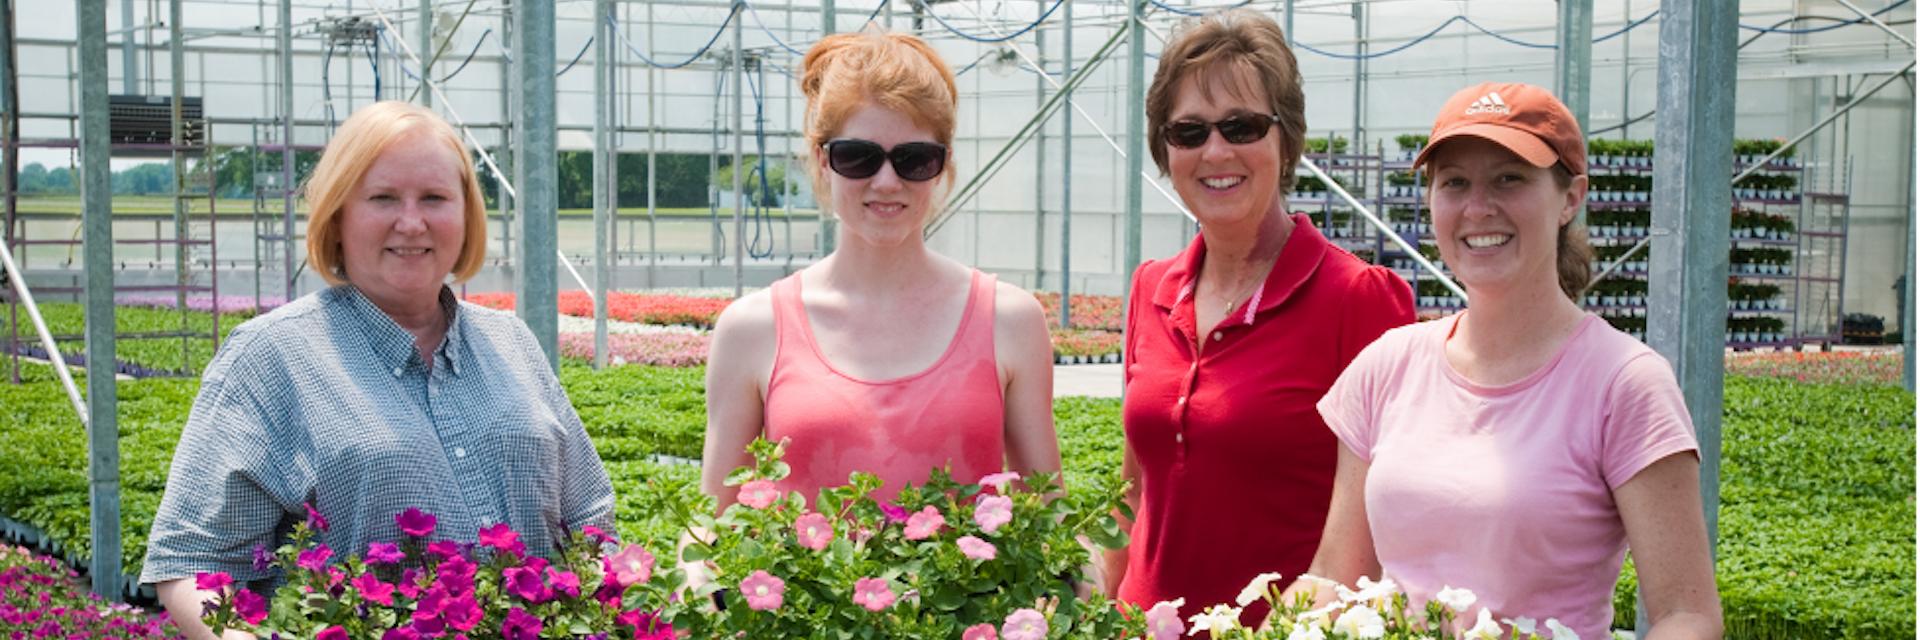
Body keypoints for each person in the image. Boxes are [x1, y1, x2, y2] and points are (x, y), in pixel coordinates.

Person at [141, 101, 615, 639]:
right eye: (383, 197)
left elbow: (591, 522)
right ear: (337, 217)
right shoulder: (271, 356)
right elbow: (191, 563)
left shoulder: (511, 343)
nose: (411, 222)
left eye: (435, 198)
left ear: (466, 216)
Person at [1295, 82, 1723, 638]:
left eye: (1509, 178)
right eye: (1454, 182)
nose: (1478, 208)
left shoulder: (1624, 383)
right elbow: (1335, 575)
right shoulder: (1385, 367)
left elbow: (1686, 613)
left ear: (1571, 198)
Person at [1104, 9, 1415, 626]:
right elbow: (1138, 493)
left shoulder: (1359, 298)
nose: (1215, 151)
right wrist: (1079, 590)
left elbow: (1387, 525)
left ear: (1286, 137)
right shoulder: (1152, 288)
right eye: (1188, 132)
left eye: (1241, 126)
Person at [700, 30, 1059, 509]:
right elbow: (712, 523)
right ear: (822, 161)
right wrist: (696, 579)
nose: (886, 181)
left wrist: (1080, 577)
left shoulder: (1011, 321)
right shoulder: (752, 329)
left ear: (944, 165)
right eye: (858, 157)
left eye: (914, 159)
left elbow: (1049, 511)